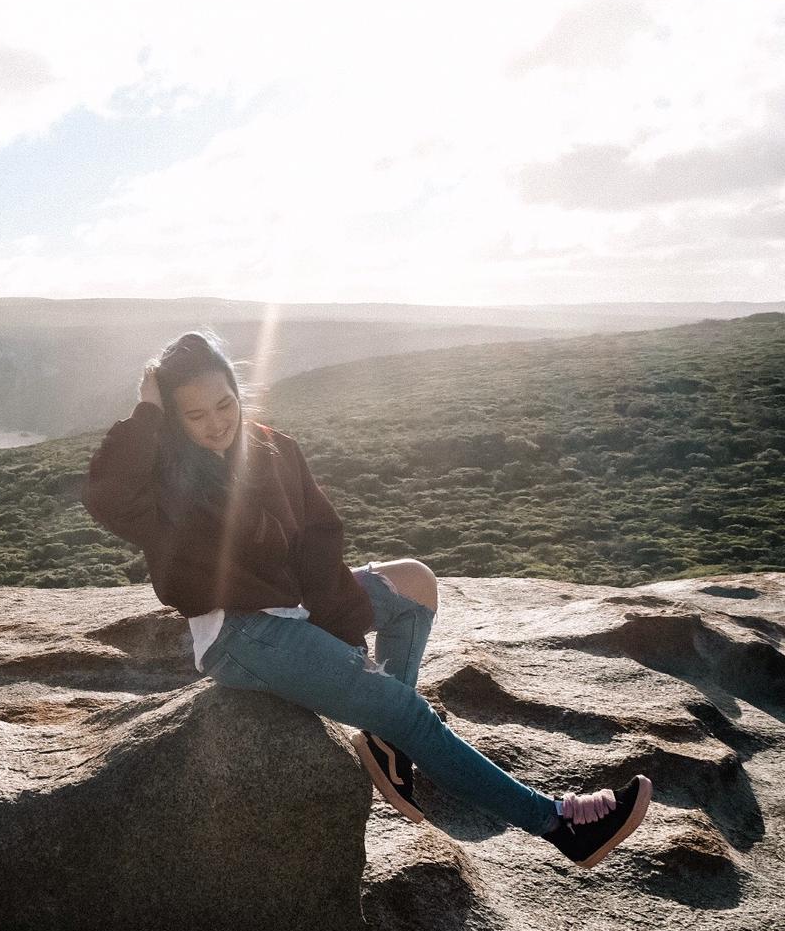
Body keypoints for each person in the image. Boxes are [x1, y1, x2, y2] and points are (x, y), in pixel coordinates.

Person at [81, 329, 651, 869]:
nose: (215, 424)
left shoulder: (274, 450)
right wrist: (148, 411)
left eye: (224, 404)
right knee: (409, 711)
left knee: (416, 584)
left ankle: (384, 737)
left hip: (296, 611)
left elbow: (317, 546)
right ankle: (559, 825)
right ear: (174, 419)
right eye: (194, 415)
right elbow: (105, 497)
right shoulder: (166, 477)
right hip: (241, 634)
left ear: (237, 390)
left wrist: (345, 634)